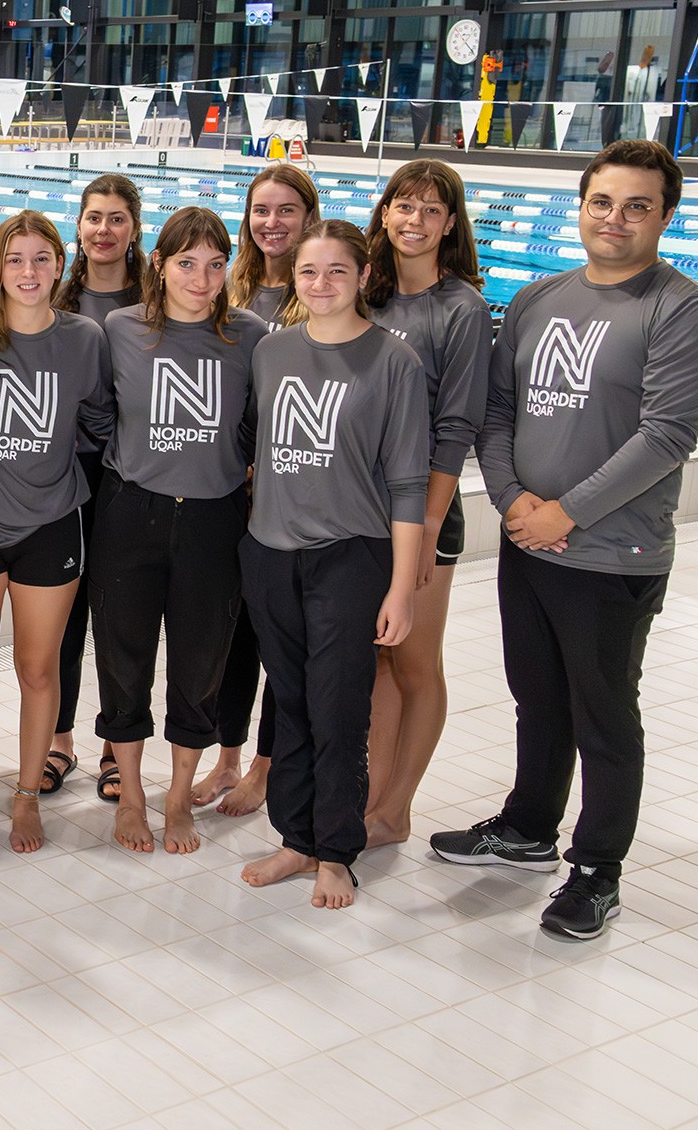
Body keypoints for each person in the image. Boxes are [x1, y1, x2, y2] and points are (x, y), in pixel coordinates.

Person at [436, 140, 698, 939]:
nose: (616, 219)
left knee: (604, 712)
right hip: (530, 540)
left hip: (611, 554)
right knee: (537, 696)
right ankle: (530, 827)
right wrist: (511, 499)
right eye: (603, 202)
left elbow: (665, 437)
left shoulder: (686, 311)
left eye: (638, 206)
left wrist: (565, 512)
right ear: (582, 206)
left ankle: (598, 870)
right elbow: (497, 414)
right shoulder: (536, 298)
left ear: (665, 215)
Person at [239, 220, 428, 910]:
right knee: (288, 702)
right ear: (293, 279)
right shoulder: (271, 351)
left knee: (338, 708)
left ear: (364, 276)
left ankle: (337, 852)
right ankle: (296, 837)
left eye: (336, 272)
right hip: (269, 552)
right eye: (309, 272)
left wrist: (402, 588)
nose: (321, 285)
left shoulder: (393, 362)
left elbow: (408, 482)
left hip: (349, 555)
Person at [92, 207, 269, 855]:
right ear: (159, 265)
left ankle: (178, 796)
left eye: (216, 264)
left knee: (201, 667)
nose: (202, 277)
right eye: (187, 262)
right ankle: (133, 795)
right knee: (123, 658)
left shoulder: (251, 336)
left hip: (213, 520)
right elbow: (95, 415)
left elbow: (264, 428)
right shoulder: (118, 328)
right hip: (131, 511)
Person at [0, 211, 106, 854]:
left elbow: (96, 419)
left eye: (41, 258)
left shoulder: (83, 339)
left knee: (39, 670)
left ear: (61, 266)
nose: (29, 271)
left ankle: (29, 793)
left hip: (51, 525)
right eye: (15, 259)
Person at [360, 160, 491, 848]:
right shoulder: (368, 295)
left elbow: (457, 427)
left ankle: (399, 806)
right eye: (404, 207)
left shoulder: (461, 308)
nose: (415, 221)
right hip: (363, 510)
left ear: (450, 224)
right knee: (380, 657)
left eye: (431, 210)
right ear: (384, 214)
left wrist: (429, 528)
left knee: (415, 663)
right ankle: (374, 798)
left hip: (425, 512)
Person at [195, 162, 322, 816]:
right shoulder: (231, 287)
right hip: (233, 490)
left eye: (286, 211)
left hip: (292, 493)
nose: (271, 223)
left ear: (308, 216)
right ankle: (228, 758)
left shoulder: (320, 294)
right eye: (261, 211)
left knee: (279, 637)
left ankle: (267, 767)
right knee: (234, 634)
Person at [50, 172, 145, 798]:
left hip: (129, 477)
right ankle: (59, 741)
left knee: (119, 614)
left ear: (134, 228)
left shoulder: (159, 301)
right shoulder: (55, 300)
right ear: (78, 227)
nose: (104, 230)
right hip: (63, 470)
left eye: (116, 218)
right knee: (61, 612)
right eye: (94, 217)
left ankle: (117, 745)